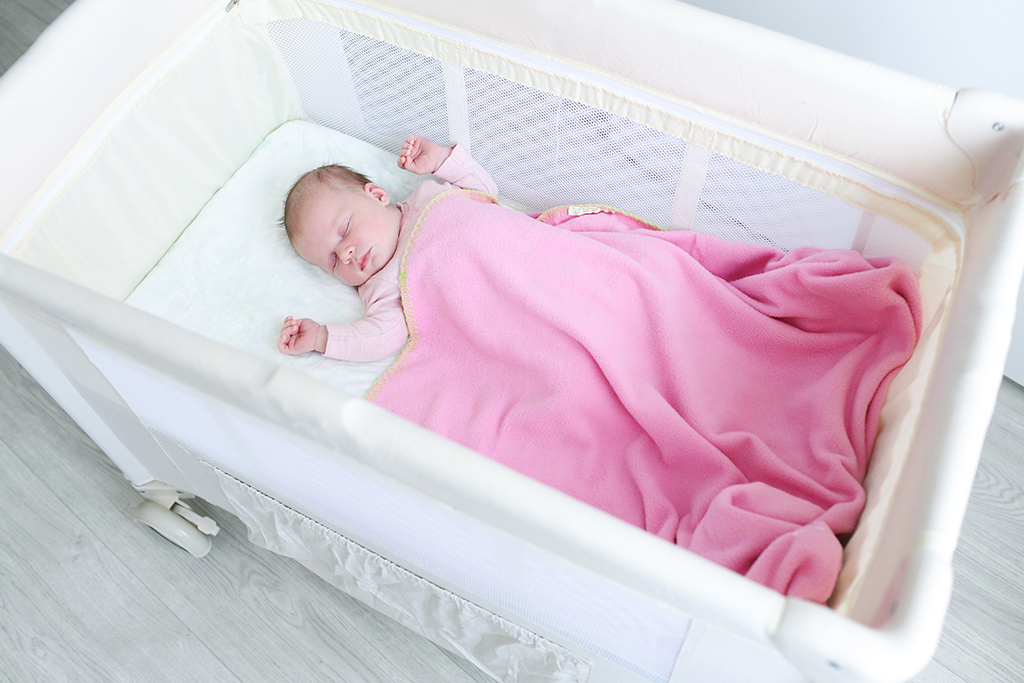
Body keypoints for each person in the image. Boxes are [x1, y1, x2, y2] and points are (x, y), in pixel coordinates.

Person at [277, 134, 497, 361]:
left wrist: (440, 159)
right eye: (332, 261)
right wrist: (320, 337)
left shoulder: (428, 197)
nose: (344, 254)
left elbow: (484, 192)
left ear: (377, 195)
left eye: (345, 229)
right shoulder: (382, 286)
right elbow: (383, 336)